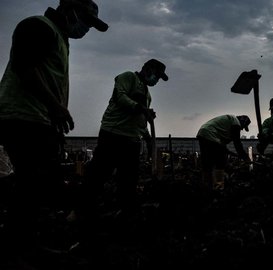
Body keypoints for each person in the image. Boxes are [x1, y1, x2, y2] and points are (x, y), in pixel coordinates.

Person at [0, 0, 108, 263]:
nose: (86, 29)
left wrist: (54, 116)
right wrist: (56, 107)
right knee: (33, 182)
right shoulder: (39, 26)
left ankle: (22, 241)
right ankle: (18, 247)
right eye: (86, 21)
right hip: (22, 117)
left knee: (34, 183)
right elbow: (23, 67)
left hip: (38, 119)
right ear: (69, 9)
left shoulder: (59, 37)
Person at [82, 59, 168, 221]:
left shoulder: (148, 95)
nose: (156, 81)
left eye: (158, 79)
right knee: (99, 173)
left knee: (129, 179)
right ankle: (84, 209)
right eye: (156, 76)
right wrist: (140, 108)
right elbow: (120, 97)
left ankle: (126, 213)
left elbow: (141, 123)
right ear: (147, 69)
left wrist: (148, 139)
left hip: (132, 140)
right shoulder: (128, 78)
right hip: (113, 134)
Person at [196, 115, 251, 190]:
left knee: (207, 163)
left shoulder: (227, 122)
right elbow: (237, 143)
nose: (241, 129)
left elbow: (222, 146)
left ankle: (206, 188)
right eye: (242, 127)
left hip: (203, 133)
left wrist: (230, 152)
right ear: (242, 122)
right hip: (211, 135)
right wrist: (245, 158)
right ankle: (219, 188)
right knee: (220, 162)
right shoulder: (236, 123)